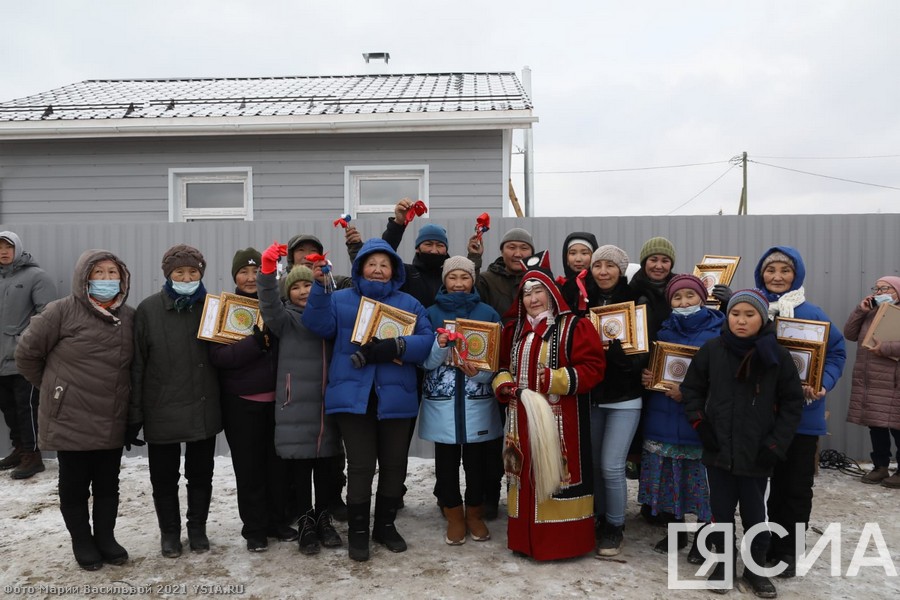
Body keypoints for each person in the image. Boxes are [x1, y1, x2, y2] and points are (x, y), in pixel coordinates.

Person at [301, 238, 433, 562]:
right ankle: (359, 530)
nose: (377, 270)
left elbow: (427, 341)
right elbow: (316, 324)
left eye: (384, 264)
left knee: (394, 465)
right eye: (371, 264)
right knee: (360, 466)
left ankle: (385, 526)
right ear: (360, 268)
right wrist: (319, 288)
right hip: (353, 397)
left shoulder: (409, 304)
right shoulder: (338, 299)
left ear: (393, 271)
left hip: (395, 396)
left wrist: (398, 346)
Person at [15, 250, 134, 570]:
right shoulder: (60, 312)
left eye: (113, 273)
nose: (107, 279)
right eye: (99, 273)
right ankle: (82, 540)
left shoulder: (129, 317)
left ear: (122, 279)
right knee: (74, 483)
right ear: (84, 277)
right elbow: (26, 354)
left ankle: (106, 538)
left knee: (109, 482)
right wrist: (55, 388)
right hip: (70, 415)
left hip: (111, 415)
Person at [681, 289, 804, 597]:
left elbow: (792, 403)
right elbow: (692, 389)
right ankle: (723, 567)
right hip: (718, 449)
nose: (741, 321)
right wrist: (701, 424)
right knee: (720, 512)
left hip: (757, 452)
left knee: (755, 514)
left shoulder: (777, 355)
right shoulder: (712, 350)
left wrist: (776, 445)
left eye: (749, 315)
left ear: (763, 318)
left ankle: (755, 568)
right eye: (735, 314)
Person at [492, 251, 605, 561]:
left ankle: (560, 543)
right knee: (521, 470)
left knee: (557, 474)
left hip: (560, 420)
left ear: (552, 294)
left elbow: (594, 367)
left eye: (538, 290)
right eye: (526, 293)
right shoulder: (513, 330)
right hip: (520, 418)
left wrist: (554, 379)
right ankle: (523, 539)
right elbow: (501, 366)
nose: (532, 298)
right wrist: (503, 383)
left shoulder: (574, 327)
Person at [753, 246, 846, 576]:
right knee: (755, 488)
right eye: (770, 270)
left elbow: (836, 353)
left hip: (803, 418)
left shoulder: (813, 313)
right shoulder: (750, 310)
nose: (777, 276)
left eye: (785, 270)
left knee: (793, 487)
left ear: (797, 274)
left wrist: (824, 383)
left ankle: (788, 553)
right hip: (759, 416)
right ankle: (759, 547)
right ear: (760, 274)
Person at [129, 244, 221, 559]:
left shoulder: (212, 307)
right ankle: (169, 532)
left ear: (201, 273)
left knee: (201, 474)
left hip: (202, 405)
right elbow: (138, 365)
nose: (186, 276)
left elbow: (226, 355)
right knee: (164, 477)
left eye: (192, 271)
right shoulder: (148, 310)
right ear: (168, 274)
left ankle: (197, 529)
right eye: (179, 272)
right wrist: (135, 415)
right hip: (161, 408)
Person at [209, 248, 296, 553]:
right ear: (234, 275)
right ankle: (255, 529)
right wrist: (255, 344)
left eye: (256, 271)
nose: (249, 278)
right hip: (241, 402)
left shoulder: (278, 307)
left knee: (278, 467)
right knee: (249, 469)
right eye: (243, 272)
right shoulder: (223, 308)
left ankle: (278, 521)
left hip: (278, 402)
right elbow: (219, 357)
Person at [258, 260, 344, 555]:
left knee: (326, 465)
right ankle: (306, 519)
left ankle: (324, 517)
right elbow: (268, 303)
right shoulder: (286, 319)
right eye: (296, 286)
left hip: (328, 402)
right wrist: (267, 272)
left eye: (308, 284)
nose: (303, 291)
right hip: (295, 403)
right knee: (300, 464)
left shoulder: (332, 316)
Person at [638, 274, 722, 560]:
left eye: (690, 295)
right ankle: (675, 532)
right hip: (663, 418)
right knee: (668, 478)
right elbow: (656, 369)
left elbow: (723, 381)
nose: (684, 302)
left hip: (698, 421)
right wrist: (649, 376)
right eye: (677, 297)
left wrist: (688, 394)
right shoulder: (663, 332)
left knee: (701, 484)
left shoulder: (718, 332)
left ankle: (703, 536)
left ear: (702, 297)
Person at [419, 256, 501, 545]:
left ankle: (474, 513)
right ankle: (453, 513)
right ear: (444, 280)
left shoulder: (488, 313)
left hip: (477, 401)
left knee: (477, 462)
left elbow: (496, 362)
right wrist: (440, 347)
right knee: (446, 462)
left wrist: (479, 375)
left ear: (473, 280)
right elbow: (424, 363)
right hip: (443, 402)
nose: (458, 283)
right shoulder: (428, 314)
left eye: (464, 277)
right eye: (452, 277)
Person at [584, 245, 647, 556]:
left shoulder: (635, 303)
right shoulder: (585, 302)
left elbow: (644, 356)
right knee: (594, 465)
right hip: (594, 396)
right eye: (598, 265)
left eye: (610, 266)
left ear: (621, 270)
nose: (604, 271)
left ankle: (615, 526)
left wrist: (623, 359)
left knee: (612, 465)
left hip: (625, 397)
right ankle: (596, 518)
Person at [476, 226, 535, 519]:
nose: (518, 253)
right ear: (502, 251)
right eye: (512, 247)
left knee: (524, 434)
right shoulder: (487, 280)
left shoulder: (537, 280)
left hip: (531, 367)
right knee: (495, 436)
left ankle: (526, 493)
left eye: (524, 248)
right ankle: (490, 494)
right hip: (498, 366)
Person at [0, 231, 56, 479]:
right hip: (0, 360)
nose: (3, 252)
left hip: (23, 358)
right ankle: (20, 448)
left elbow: (47, 315)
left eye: (7, 247)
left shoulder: (36, 276)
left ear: (18, 249)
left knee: (26, 408)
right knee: (8, 408)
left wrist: (24, 340)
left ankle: (33, 456)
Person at [844, 275, 900, 488]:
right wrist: (860, 310)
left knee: (897, 427)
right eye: (876, 288)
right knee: (876, 426)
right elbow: (849, 333)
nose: (878, 292)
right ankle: (880, 467)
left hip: (893, 382)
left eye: (884, 288)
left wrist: (885, 349)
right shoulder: (871, 312)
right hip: (870, 381)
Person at [558, 231, 599, 316]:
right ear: (566, 259)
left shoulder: (601, 285)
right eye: (573, 253)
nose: (578, 259)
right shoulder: (559, 287)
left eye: (584, 253)